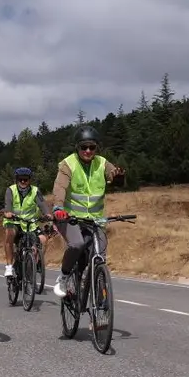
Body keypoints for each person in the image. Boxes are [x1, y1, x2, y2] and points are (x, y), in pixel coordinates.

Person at [50, 125, 125, 298]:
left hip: (95, 220)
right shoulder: (68, 164)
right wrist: (58, 207)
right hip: (70, 218)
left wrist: (118, 177)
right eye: (84, 147)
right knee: (77, 244)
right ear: (77, 147)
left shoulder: (102, 163)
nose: (88, 151)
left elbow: (112, 174)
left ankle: (98, 303)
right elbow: (60, 187)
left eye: (92, 147)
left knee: (99, 255)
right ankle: (63, 277)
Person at [1, 167, 53, 277]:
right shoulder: (11, 190)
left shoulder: (35, 190)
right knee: (9, 233)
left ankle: (36, 263)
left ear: (30, 180)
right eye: (21, 179)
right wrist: (8, 213)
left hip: (31, 223)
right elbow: (8, 204)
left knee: (43, 239)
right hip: (14, 222)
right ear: (17, 180)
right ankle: (9, 266)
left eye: (26, 179)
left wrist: (47, 214)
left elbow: (42, 204)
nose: (23, 182)